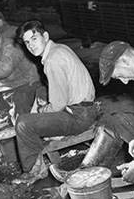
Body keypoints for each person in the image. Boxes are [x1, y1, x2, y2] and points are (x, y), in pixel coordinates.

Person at [50, 41, 134, 199]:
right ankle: (83, 173)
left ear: (124, 61)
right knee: (115, 121)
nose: (124, 82)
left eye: (120, 75)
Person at [11, 19, 99, 185]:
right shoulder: (59, 48)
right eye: (27, 43)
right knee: (40, 90)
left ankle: (33, 171)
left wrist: (39, 112)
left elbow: (58, 105)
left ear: (45, 36)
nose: (31, 46)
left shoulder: (53, 60)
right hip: (86, 107)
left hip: (79, 116)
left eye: (34, 39)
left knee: (23, 124)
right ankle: (41, 134)